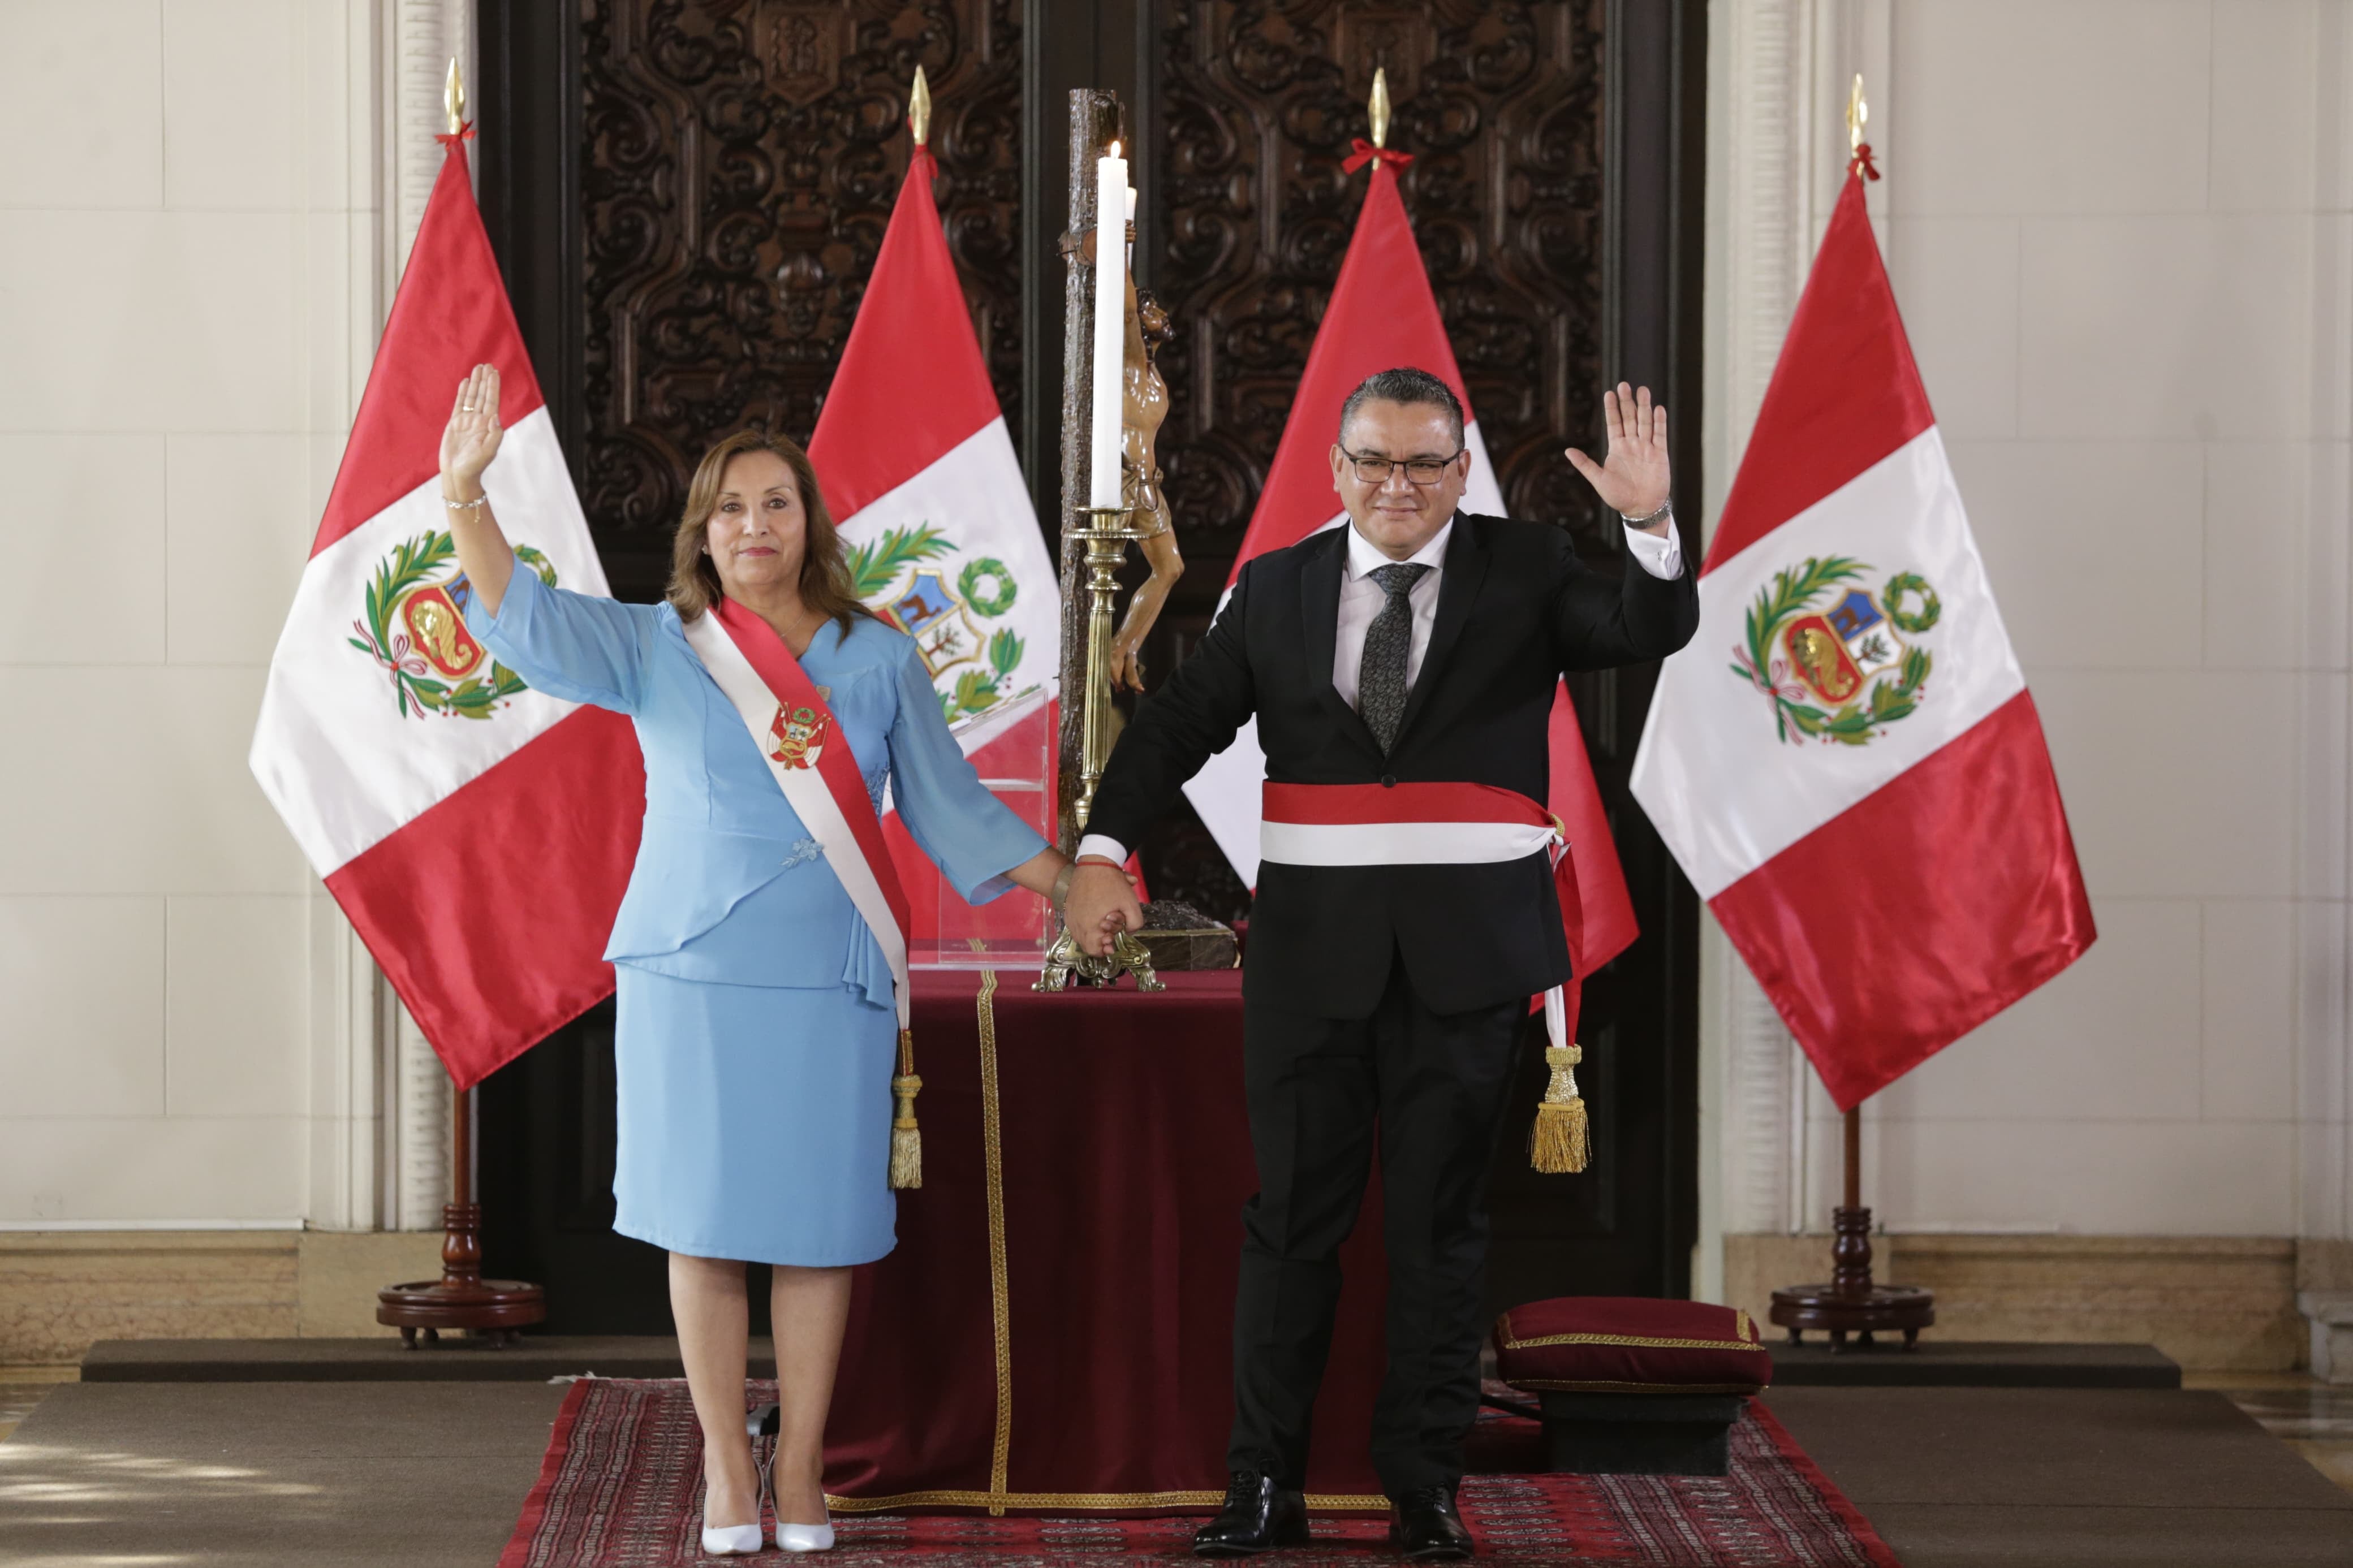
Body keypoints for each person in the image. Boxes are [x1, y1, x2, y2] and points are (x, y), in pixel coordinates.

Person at [436, 364, 1106, 1557]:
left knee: (817, 1226)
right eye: (732, 507)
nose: (755, 524)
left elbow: (949, 807)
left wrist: (1070, 883)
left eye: (777, 503)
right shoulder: (659, 645)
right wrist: (463, 498)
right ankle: (723, 1458)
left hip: (830, 976)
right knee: (702, 1225)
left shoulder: (876, 656)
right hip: (689, 969)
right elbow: (527, 622)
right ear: (703, 532)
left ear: (811, 522)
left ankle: (799, 1463)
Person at [1062, 370, 1699, 1560]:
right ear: (1336, 468)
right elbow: (1179, 723)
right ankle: (1263, 1485)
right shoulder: (1276, 586)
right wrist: (1100, 851)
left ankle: (1424, 1490)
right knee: (1289, 1227)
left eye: (1421, 464)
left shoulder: (1529, 569)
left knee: (1437, 1234)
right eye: (1373, 461)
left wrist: (1650, 525)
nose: (1395, 485)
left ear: (1460, 472)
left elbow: (1645, 629)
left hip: (1469, 961)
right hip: (1311, 964)